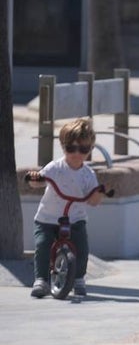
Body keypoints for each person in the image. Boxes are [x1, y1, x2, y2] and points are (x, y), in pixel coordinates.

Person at [24, 118, 107, 299]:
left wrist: (98, 194)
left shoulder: (88, 175)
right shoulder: (56, 168)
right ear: (63, 147)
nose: (77, 154)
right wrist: (34, 178)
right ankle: (41, 279)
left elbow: (93, 200)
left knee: (82, 248)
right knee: (42, 245)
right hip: (47, 218)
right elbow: (39, 182)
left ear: (90, 150)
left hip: (75, 218)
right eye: (71, 148)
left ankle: (78, 278)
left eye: (83, 149)